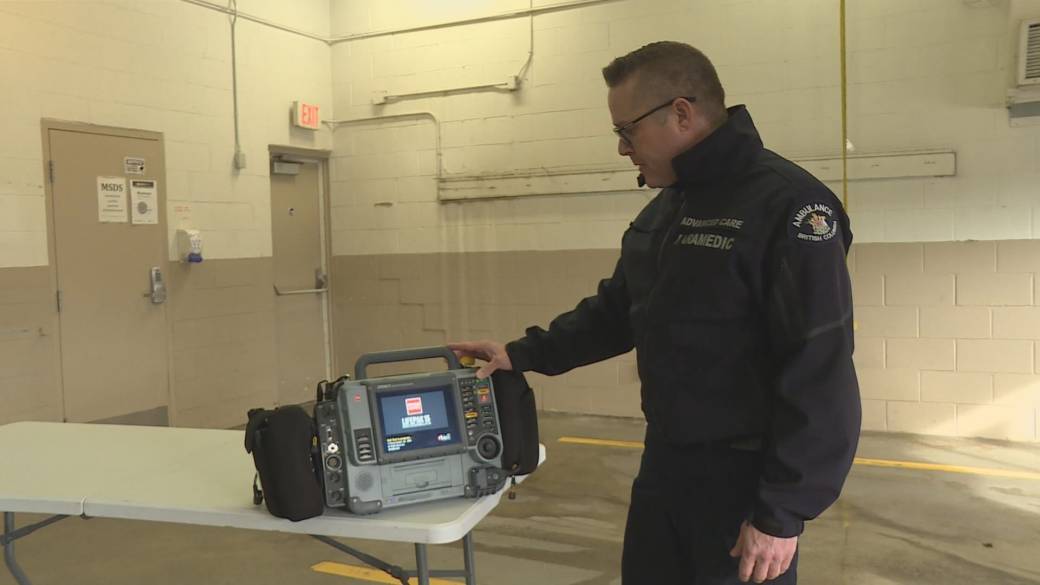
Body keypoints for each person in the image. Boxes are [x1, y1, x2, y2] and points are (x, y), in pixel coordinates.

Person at [450, 41, 860, 585]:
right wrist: (520, 354)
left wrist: (781, 512)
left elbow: (819, 368)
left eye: (628, 131)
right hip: (666, 466)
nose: (623, 148)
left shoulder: (788, 207)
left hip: (745, 482)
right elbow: (616, 311)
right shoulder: (669, 208)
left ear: (681, 113)